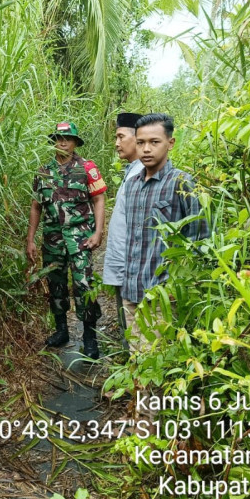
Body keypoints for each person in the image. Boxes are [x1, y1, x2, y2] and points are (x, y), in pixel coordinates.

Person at [121, 113, 207, 352]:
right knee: (136, 356)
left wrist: (176, 286)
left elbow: (200, 239)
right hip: (132, 291)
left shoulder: (182, 183)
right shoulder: (132, 185)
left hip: (162, 296)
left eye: (154, 142)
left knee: (155, 357)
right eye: (140, 142)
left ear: (170, 143)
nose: (146, 149)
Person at [26, 121, 107, 359]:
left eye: (68, 139)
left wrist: (98, 232)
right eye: (59, 139)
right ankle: (61, 330)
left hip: (80, 238)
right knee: (56, 284)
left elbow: (99, 200)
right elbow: (36, 206)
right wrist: (30, 239)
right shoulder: (43, 171)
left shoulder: (87, 168)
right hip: (52, 240)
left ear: (75, 143)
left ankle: (90, 337)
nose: (63, 143)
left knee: (84, 285)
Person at [102, 112, 144, 347]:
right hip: (124, 263)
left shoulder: (141, 175)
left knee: (134, 329)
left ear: (138, 138)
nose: (116, 143)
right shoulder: (132, 171)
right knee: (127, 326)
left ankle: (134, 367)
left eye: (121, 137)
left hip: (132, 268)